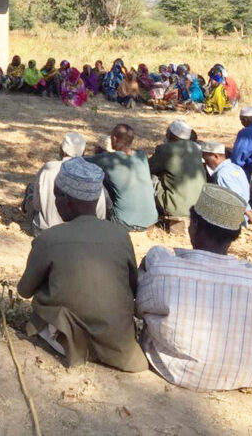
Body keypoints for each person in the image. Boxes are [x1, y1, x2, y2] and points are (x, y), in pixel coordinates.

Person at [136, 185, 252, 391]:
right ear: (235, 236)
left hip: (177, 370)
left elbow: (141, 309)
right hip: (250, 374)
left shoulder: (165, 270)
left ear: (194, 226)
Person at [17, 158, 148, 372]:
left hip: (64, 340)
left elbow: (24, 290)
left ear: (65, 200)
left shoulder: (49, 238)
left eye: (57, 195)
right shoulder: (121, 236)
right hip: (117, 342)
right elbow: (132, 286)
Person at [25, 132, 107, 234]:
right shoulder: (90, 173)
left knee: (31, 189)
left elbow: (37, 205)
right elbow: (101, 213)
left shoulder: (49, 168)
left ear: (62, 151)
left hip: (45, 231)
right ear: (83, 153)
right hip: (83, 233)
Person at [86, 124, 158, 231]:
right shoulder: (142, 155)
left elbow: (82, 162)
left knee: (100, 177)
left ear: (114, 139)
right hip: (150, 221)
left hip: (123, 222)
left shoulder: (109, 159)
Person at [149, 119, 206, 223]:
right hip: (198, 206)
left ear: (171, 134)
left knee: (151, 177)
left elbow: (149, 168)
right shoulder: (196, 148)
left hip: (176, 207)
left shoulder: (166, 149)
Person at [200, 141, 252, 234]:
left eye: (206, 160)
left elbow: (238, 198)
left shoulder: (223, 175)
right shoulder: (235, 168)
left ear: (215, 156)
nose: (206, 164)